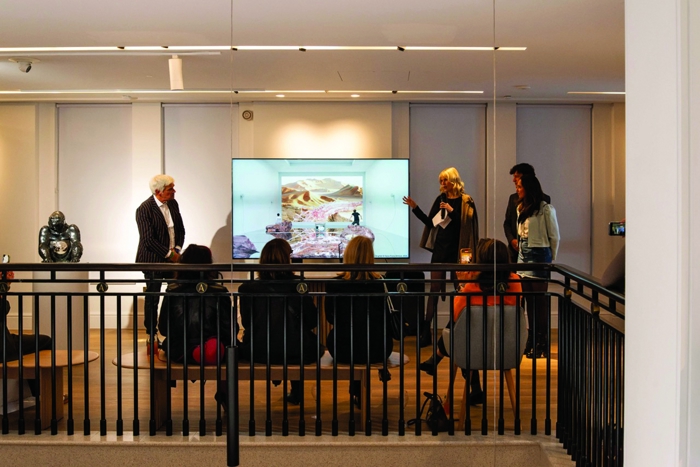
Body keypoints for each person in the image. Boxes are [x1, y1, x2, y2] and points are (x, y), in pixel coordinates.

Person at [418, 238, 522, 404]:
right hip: (506, 347)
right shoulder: (515, 281)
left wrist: (462, 285)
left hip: (474, 347)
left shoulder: (474, 284)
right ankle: (475, 389)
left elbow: (456, 316)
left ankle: (438, 358)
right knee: (466, 333)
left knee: (462, 335)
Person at [237, 238, 323, 405]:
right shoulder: (299, 286)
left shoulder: (247, 288)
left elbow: (247, 323)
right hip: (295, 352)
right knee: (305, 342)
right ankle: (297, 391)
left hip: (258, 351)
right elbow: (311, 321)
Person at [402, 167, 479, 347]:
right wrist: (415, 208)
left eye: (445, 180)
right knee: (434, 289)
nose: (443, 184)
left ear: (453, 180)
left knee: (460, 289)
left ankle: (458, 327)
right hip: (440, 249)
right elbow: (431, 223)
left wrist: (451, 211)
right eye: (441, 181)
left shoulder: (466, 200)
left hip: (458, 250)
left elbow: (466, 225)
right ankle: (426, 329)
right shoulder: (440, 199)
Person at [158, 245, 232, 408]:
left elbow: (163, 328)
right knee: (228, 351)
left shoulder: (172, 291)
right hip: (214, 350)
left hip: (180, 350)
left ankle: (163, 408)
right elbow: (228, 329)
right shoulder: (219, 291)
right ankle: (224, 395)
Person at [325, 235, 393, 407]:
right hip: (378, 349)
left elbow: (330, 318)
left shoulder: (334, 284)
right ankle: (364, 385)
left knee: (350, 338)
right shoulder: (380, 284)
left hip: (343, 349)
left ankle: (356, 389)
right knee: (367, 337)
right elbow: (385, 318)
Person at [135, 174, 186, 342]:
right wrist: (170, 255)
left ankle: (173, 332)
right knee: (153, 298)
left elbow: (180, 230)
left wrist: (177, 249)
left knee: (175, 295)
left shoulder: (173, 203)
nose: (174, 191)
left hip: (172, 260)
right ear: (159, 191)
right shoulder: (144, 209)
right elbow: (148, 240)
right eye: (170, 189)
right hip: (153, 260)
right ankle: (151, 333)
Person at [515, 174, 560, 359]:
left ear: (529, 188)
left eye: (520, 186)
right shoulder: (520, 208)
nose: (517, 189)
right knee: (528, 300)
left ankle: (542, 341)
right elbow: (520, 235)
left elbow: (554, 236)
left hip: (539, 254)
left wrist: (550, 259)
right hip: (523, 255)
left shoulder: (545, 209)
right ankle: (531, 338)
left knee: (539, 301)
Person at [0, 270, 53, 397]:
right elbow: (2, 310)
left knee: (44, 341)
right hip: (4, 346)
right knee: (44, 342)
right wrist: (4, 287)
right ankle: (43, 394)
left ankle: (41, 393)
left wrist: (5, 285)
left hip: (6, 340)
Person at [503, 163, 551, 264]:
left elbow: (549, 231)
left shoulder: (544, 201)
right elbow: (507, 223)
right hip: (514, 251)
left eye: (516, 176)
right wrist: (512, 240)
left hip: (536, 252)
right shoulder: (513, 198)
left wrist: (551, 253)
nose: (513, 180)